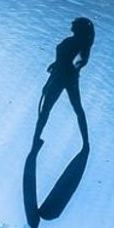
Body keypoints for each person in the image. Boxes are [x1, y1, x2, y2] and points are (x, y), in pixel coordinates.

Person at [32, 17, 95, 151]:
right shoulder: (78, 42)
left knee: (46, 110)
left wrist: (49, 82)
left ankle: (36, 139)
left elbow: (63, 62)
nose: (71, 23)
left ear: (78, 28)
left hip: (60, 78)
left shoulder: (74, 42)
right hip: (66, 77)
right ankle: (86, 143)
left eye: (75, 23)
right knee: (76, 108)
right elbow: (63, 61)